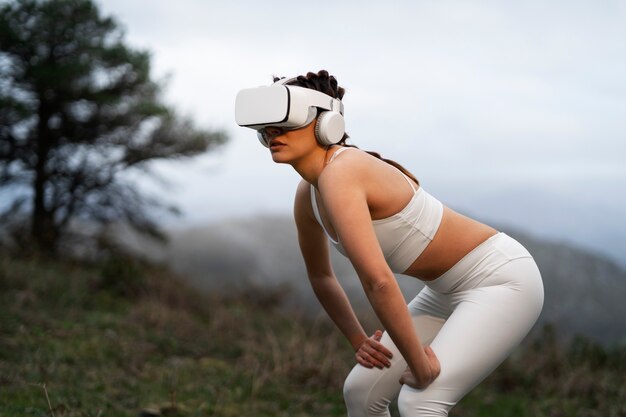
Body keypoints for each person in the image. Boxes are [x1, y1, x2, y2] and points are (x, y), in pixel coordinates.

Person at [235, 70, 544, 416]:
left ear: (327, 123)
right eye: (267, 127)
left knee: (420, 400)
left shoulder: (343, 171)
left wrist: (419, 364)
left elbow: (378, 280)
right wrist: (358, 339)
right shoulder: (307, 194)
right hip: (442, 292)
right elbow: (321, 277)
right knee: (360, 391)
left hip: (500, 279)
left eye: (288, 121)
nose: (273, 133)